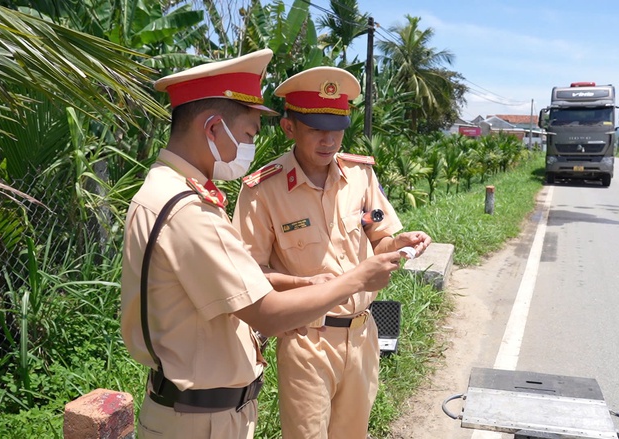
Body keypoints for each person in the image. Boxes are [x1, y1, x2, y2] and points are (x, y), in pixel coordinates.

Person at [120, 51, 403, 439]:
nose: (329, 139)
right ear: (214, 128)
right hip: (206, 412)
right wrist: (357, 278)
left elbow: (376, 227)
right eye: (250, 134)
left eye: (337, 126)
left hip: (209, 406)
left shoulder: (165, 193)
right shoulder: (189, 210)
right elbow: (265, 311)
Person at [233, 66, 432, 439]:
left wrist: (399, 243)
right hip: (307, 338)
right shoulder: (263, 190)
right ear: (289, 127)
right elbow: (248, 276)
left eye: (337, 127)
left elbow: (379, 240)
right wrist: (304, 283)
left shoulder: (360, 176)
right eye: (316, 128)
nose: (329, 140)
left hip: (362, 333)